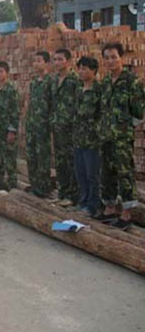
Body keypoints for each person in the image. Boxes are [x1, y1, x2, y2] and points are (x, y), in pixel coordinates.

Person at [100, 43, 145, 229]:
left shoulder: (131, 81)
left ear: (122, 58)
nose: (111, 61)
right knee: (107, 172)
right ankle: (110, 209)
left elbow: (138, 112)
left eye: (114, 57)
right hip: (106, 135)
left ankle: (126, 214)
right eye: (107, 57)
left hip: (121, 137)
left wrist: (125, 128)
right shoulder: (105, 82)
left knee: (124, 173)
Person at [73, 56, 101, 216]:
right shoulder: (79, 89)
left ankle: (93, 205)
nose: (82, 72)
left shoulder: (99, 90)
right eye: (80, 68)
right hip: (78, 138)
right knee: (81, 173)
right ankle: (83, 202)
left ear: (94, 70)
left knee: (92, 175)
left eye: (85, 68)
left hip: (93, 139)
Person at [51, 48, 80, 207]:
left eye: (60, 59)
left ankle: (73, 196)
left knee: (71, 161)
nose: (57, 62)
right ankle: (62, 193)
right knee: (60, 162)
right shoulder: (55, 80)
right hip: (58, 126)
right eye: (55, 59)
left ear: (68, 61)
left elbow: (78, 103)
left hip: (70, 127)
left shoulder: (74, 80)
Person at [26, 52, 53, 198]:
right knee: (31, 156)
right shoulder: (34, 82)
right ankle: (34, 185)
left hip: (43, 125)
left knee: (43, 157)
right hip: (32, 124)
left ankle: (44, 187)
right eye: (34, 61)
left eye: (39, 61)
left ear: (46, 63)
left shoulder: (50, 82)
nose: (36, 64)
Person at [0, 61, 19, 191]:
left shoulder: (10, 90)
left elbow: (15, 111)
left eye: (1, 71)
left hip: (6, 130)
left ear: (7, 73)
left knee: (9, 160)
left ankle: (12, 187)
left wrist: (12, 130)